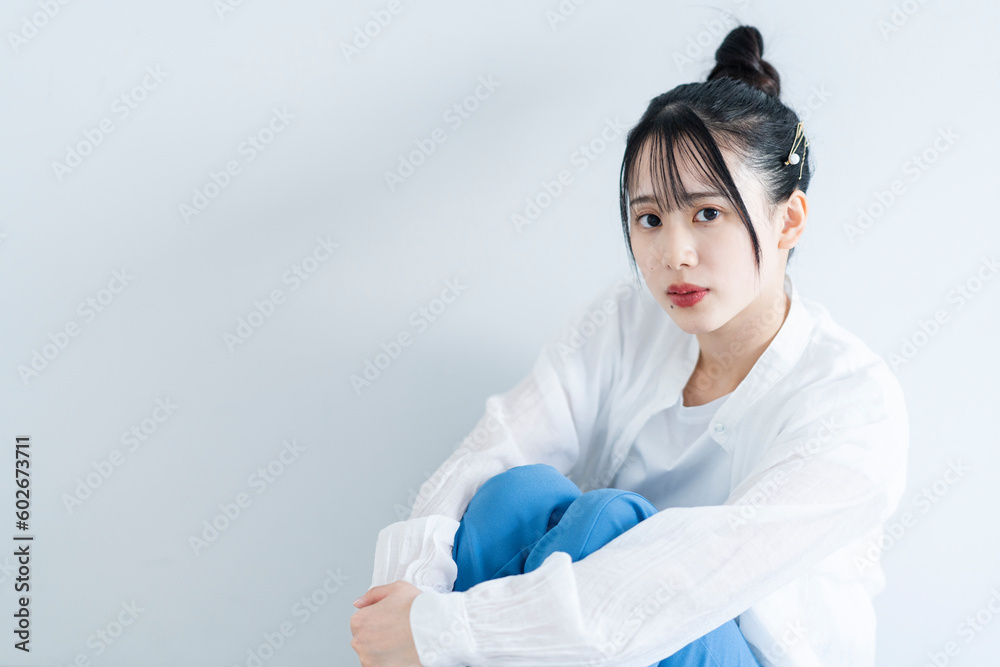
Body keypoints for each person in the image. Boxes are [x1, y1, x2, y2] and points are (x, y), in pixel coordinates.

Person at [350, 24, 909, 667]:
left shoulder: (853, 401)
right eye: (649, 218)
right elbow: (496, 447)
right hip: (597, 643)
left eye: (707, 213)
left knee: (606, 524)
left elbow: (685, 578)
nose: (674, 253)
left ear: (788, 220)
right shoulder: (627, 321)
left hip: (739, 650)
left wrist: (445, 632)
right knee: (513, 498)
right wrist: (406, 600)